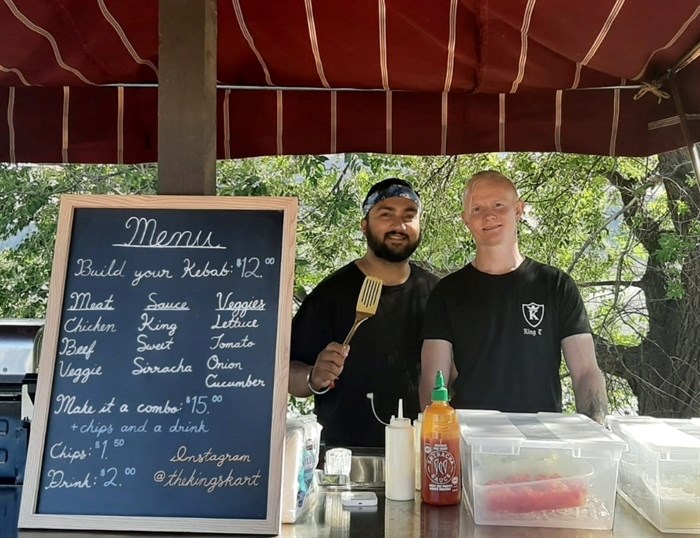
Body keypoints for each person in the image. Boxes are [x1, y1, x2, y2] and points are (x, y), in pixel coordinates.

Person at [420, 170, 608, 424]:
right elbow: (433, 379)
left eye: (499, 205)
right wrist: (436, 441)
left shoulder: (556, 285)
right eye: (476, 209)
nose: (488, 216)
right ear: (466, 220)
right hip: (472, 438)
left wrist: (596, 427)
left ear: (518, 209)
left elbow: (585, 372)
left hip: (543, 440)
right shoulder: (447, 291)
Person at [289, 178, 439, 447]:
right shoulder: (331, 294)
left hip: (421, 453)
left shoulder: (437, 293)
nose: (399, 225)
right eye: (386, 214)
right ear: (364, 226)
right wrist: (314, 376)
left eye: (409, 215)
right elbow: (288, 376)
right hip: (345, 459)